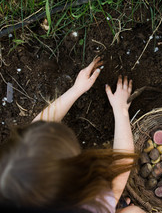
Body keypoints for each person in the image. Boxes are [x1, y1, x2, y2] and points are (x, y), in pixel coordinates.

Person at [0, 57, 145, 213]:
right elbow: (122, 163)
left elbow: (37, 128)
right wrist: (120, 109)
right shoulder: (91, 204)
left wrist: (76, 89)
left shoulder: (8, 184)